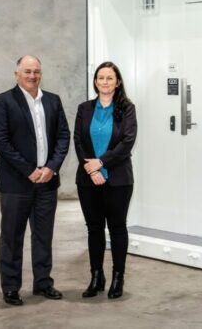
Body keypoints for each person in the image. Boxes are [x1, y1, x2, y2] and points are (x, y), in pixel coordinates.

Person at [0, 55, 70, 306]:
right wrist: (29, 170)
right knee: (12, 237)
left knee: (43, 236)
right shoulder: (3, 101)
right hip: (16, 183)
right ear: (17, 75)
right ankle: (11, 287)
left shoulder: (53, 101)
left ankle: (43, 283)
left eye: (36, 71)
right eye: (27, 71)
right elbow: (0, 141)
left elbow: (63, 136)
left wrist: (52, 167)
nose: (32, 76)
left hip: (47, 181)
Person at [74, 61, 137, 299]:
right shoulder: (84, 108)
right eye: (101, 77)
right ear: (95, 81)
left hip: (118, 179)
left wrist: (101, 163)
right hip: (88, 179)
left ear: (117, 82)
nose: (105, 82)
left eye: (110, 78)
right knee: (94, 228)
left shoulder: (127, 109)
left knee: (117, 228)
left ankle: (118, 278)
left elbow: (127, 142)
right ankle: (96, 276)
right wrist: (92, 170)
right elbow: (78, 141)